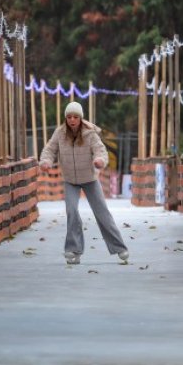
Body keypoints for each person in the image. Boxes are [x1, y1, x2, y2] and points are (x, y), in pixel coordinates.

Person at [39, 101, 129, 265]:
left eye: (75, 117)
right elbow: (50, 149)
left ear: (80, 118)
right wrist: (45, 161)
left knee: (102, 213)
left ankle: (119, 248)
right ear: (66, 118)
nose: (72, 120)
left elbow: (100, 150)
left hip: (90, 179)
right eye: (69, 117)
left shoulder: (90, 133)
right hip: (70, 181)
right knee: (71, 211)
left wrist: (100, 160)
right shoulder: (60, 133)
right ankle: (74, 249)